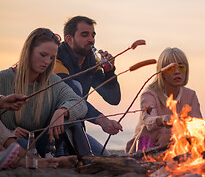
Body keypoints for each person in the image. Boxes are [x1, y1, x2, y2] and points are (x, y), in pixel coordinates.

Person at [0, 28, 87, 166]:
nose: (47, 61)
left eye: (51, 57)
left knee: (102, 155)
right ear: (28, 51)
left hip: (45, 141)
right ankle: (45, 162)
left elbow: (80, 104)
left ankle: (85, 160)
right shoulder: (2, 78)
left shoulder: (52, 81)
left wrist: (62, 111)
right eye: (43, 55)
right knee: (19, 144)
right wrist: (11, 132)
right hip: (19, 142)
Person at [54, 16, 123, 156]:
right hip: (53, 125)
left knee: (105, 158)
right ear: (69, 39)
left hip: (77, 127)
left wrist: (109, 71)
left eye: (93, 35)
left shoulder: (90, 62)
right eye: (84, 35)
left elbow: (113, 98)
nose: (91, 40)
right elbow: (73, 98)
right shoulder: (57, 59)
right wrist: (102, 121)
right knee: (76, 86)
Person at [126, 47, 202, 153]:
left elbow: (197, 124)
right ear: (162, 73)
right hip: (146, 145)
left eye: (181, 67)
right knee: (148, 129)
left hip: (176, 145)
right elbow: (149, 121)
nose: (177, 72)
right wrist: (162, 120)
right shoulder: (150, 93)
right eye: (171, 68)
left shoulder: (191, 95)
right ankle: (142, 162)